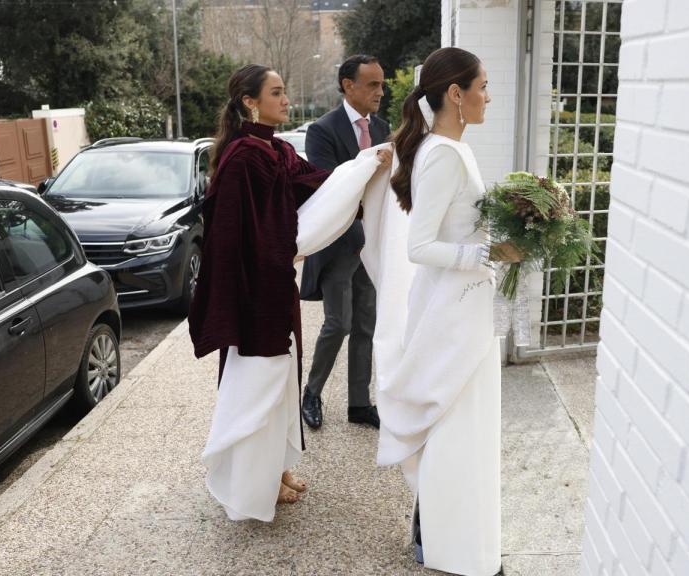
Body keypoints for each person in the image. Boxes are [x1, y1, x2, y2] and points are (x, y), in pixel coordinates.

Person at [188, 64, 391, 522]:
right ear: (249, 102)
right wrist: (278, 257)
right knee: (259, 386)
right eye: (276, 93)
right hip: (255, 295)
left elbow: (319, 184)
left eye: (284, 92)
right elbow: (232, 236)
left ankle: (276, 471)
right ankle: (252, 483)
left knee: (282, 383)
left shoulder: (277, 150)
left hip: (276, 286)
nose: (286, 100)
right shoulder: (243, 157)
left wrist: (366, 168)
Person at [373, 47, 519, 575]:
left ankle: (454, 536)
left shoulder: (455, 149)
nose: (489, 96)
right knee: (454, 424)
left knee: (465, 426)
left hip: (467, 306)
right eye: (483, 86)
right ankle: (448, 542)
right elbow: (420, 246)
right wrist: (489, 252)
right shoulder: (443, 155)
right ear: (456, 94)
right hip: (450, 312)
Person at [299, 55, 390, 430]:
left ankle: (359, 403)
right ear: (348, 85)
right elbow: (329, 187)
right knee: (339, 324)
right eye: (373, 84)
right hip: (338, 246)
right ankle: (311, 393)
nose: (380, 92)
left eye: (382, 84)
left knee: (367, 325)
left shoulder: (383, 128)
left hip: (371, 245)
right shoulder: (322, 130)